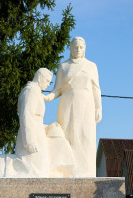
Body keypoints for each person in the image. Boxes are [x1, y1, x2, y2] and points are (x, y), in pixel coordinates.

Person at [0, 68, 74, 177]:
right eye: (47, 81)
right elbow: (26, 116)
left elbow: (35, 119)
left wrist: (48, 128)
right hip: (32, 137)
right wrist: (28, 142)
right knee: (36, 171)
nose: (48, 84)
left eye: (50, 82)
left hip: (38, 133)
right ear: (39, 78)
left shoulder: (35, 92)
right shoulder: (30, 92)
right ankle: (8, 164)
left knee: (42, 170)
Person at [45, 36, 102, 177]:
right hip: (67, 106)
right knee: (68, 138)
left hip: (86, 106)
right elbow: (57, 89)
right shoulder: (64, 66)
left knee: (85, 138)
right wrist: (45, 97)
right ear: (71, 48)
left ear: (85, 49)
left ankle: (86, 173)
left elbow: (96, 89)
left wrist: (98, 107)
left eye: (81, 47)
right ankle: (69, 172)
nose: (78, 49)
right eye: (75, 47)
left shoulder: (91, 66)